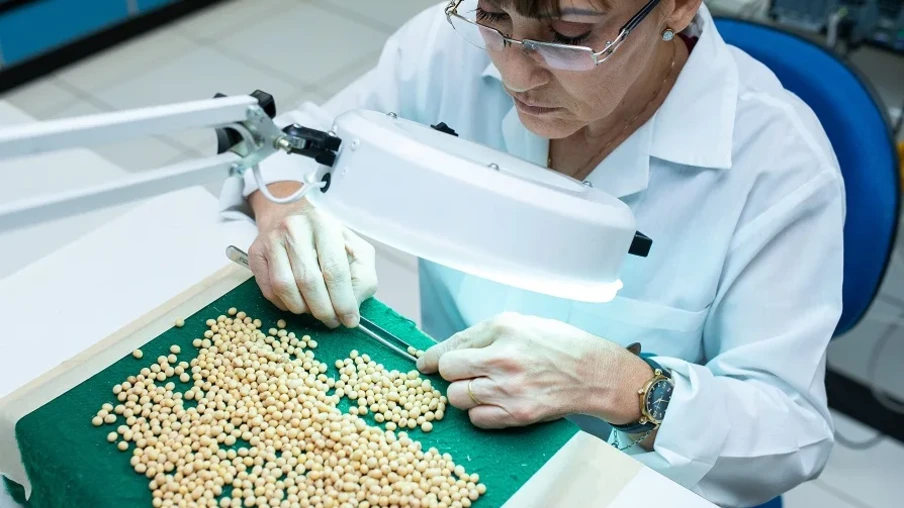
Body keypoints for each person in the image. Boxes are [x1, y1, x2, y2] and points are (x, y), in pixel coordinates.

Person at [219, 0, 845, 506]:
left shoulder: (779, 166)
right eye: (494, 17)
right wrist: (285, 211)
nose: (515, 74)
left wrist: (620, 386)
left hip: (623, 482)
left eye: (569, 34)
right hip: (446, 430)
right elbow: (287, 143)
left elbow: (791, 431)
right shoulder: (446, 49)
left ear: (677, 6)